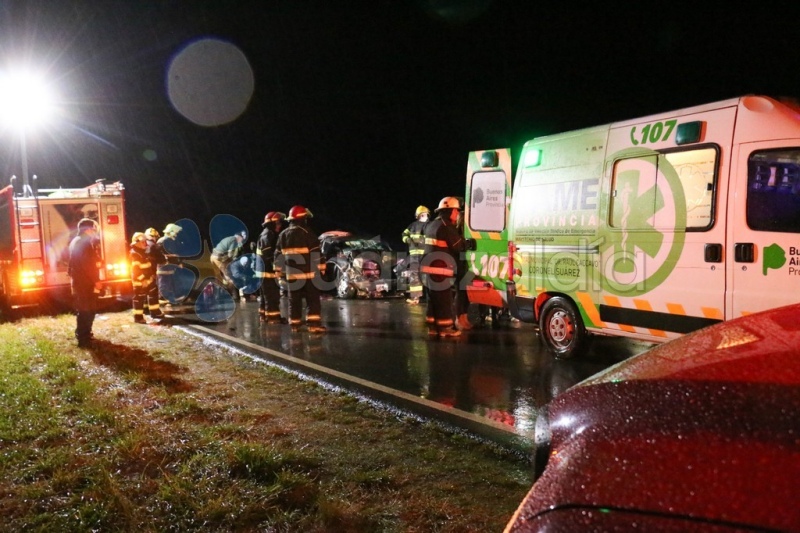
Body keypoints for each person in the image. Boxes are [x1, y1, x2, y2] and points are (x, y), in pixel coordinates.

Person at [275, 205, 326, 333]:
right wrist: (321, 269)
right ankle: (313, 325)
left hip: (291, 275)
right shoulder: (307, 233)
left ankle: (295, 325)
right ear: (302, 218)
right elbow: (316, 253)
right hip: (309, 275)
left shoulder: (282, 235)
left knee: (294, 300)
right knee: (312, 300)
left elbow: (278, 255)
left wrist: (279, 272)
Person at [420, 196, 466, 337]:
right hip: (440, 271)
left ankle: (433, 328)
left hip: (426, 270)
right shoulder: (447, 226)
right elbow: (458, 246)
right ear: (451, 211)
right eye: (457, 211)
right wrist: (469, 243)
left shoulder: (431, 225)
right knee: (444, 301)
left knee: (432, 300)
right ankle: (446, 328)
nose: (458, 214)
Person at [68, 218, 102, 347]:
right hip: (85, 283)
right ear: (88, 229)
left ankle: (83, 334)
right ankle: (84, 338)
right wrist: (96, 281)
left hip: (79, 282)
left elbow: (72, 263)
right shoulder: (84, 243)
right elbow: (88, 264)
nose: (94, 231)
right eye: (93, 229)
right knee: (87, 310)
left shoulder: (75, 241)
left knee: (83, 309)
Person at [256, 211, 286, 323]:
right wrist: (277, 267)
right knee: (272, 296)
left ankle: (264, 316)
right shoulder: (268, 235)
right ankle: (273, 318)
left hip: (263, 270)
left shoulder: (268, 233)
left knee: (265, 297)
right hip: (267, 271)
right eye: (277, 223)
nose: (280, 225)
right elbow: (269, 254)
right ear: (271, 223)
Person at [401, 205, 429, 305]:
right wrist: (407, 239)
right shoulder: (412, 225)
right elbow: (404, 234)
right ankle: (416, 298)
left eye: (425, 214)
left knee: (425, 276)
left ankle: (426, 297)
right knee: (415, 276)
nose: (424, 216)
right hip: (415, 256)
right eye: (422, 214)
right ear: (418, 215)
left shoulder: (429, 225)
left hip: (425, 255)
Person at [130, 232, 159, 323]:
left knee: (153, 292)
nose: (145, 244)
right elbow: (136, 271)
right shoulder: (135, 254)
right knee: (139, 299)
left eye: (145, 241)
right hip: (140, 281)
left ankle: (155, 312)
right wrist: (143, 279)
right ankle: (138, 318)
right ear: (137, 242)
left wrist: (150, 276)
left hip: (148, 279)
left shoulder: (141, 252)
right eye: (143, 242)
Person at [143, 227, 165, 316]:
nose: (156, 239)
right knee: (153, 291)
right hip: (150, 272)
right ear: (153, 237)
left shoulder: (143, 245)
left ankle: (145, 309)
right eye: (155, 237)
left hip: (141, 273)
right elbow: (161, 259)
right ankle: (155, 312)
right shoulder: (153, 246)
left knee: (144, 291)